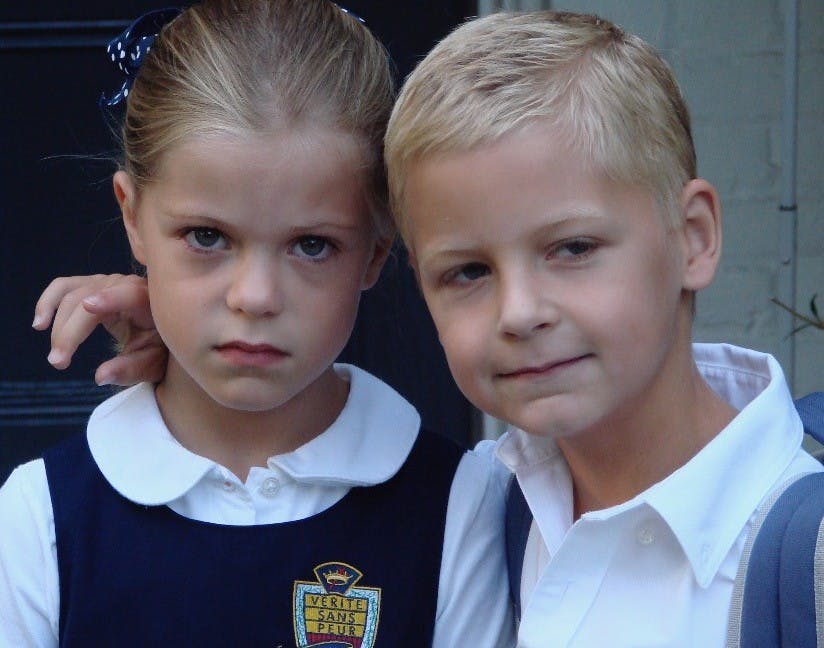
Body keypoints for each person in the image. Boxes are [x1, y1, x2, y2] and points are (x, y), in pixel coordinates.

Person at [27, 8, 820, 647]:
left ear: (695, 236)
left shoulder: (475, 503)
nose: (520, 312)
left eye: (573, 248)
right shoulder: (517, 503)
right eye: (468, 272)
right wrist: (183, 328)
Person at [0, 2, 514, 646]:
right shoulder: (42, 516)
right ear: (132, 217)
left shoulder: (462, 504)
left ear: (378, 249)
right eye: (206, 236)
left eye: (312, 245)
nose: (256, 296)